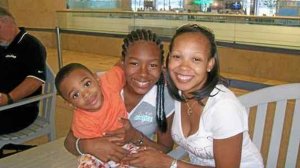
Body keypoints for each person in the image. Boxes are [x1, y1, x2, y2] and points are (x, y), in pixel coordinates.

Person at [122, 24, 264, 168]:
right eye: (177, 57)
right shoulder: (177, 92)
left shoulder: (224, 108)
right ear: (168, 61)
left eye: (196, 59)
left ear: (210, 64)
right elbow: (132, 65)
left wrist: (169, 163)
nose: (183, 67)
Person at [63, 29, 175, 163]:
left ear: (161, 67)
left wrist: (135, 136)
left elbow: (166, 149)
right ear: (122, 63)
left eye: (153, 65)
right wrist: (89, 145)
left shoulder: (164, 99)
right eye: (134, 63)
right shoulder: (99, 88)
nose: (143, 73)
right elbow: (69, 141)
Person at [55, 63, 140, 167]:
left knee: (140, 158)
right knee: (86, 161)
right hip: (100, 150)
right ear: (70, 104)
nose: (86, 94)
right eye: (75, 95)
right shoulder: (81, 121)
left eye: (87, 84)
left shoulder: (109, 83)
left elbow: (121, 66)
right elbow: (91, 146)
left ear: (97, 78)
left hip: (126, 143)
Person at [0, 7, 46, 134]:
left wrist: (9, 98)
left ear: (5, 22)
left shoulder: (31, 45)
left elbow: (35, 80)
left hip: (20, 110)